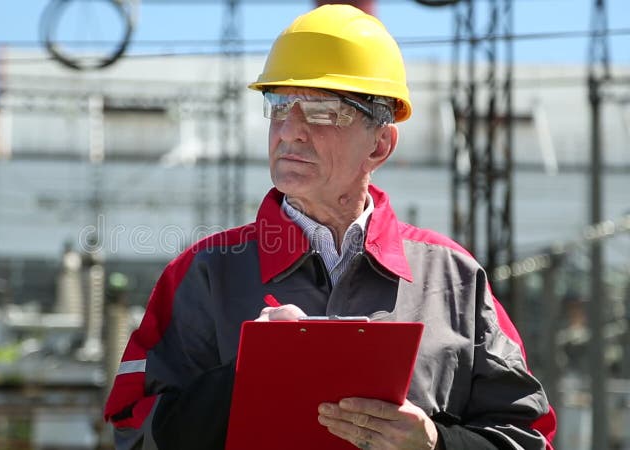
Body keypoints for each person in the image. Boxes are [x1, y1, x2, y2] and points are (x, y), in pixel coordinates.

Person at [103, 4, 556, 449]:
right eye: (279, 106)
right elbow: (132, 433)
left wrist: (436, 442)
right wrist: (244, 376)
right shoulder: (205, 273)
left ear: (380, 144)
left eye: (321, 112)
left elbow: (529, 439)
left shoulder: (454, 279)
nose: (289, 131)